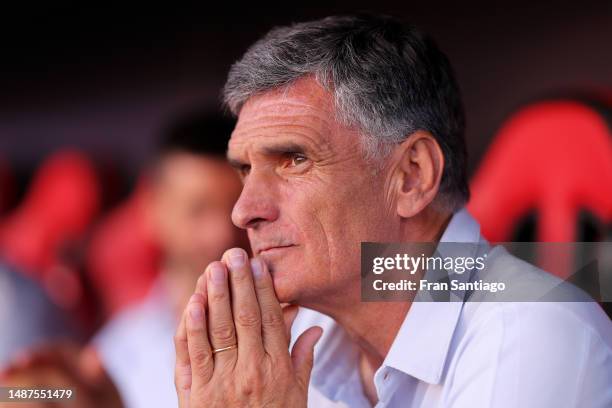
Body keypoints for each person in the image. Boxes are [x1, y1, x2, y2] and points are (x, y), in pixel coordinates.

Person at [173, 14, 612, 408]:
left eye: (294, 159)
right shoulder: (286, 343)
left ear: (411, 176)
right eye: (246, 170)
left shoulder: (532, 331)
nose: (244, 212)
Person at [1, 112, 246, 408]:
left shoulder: (308, 329)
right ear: (153, 208)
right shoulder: (119, 349)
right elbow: (28, 394)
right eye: (197, 210)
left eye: (237, 208)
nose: (221, 233)